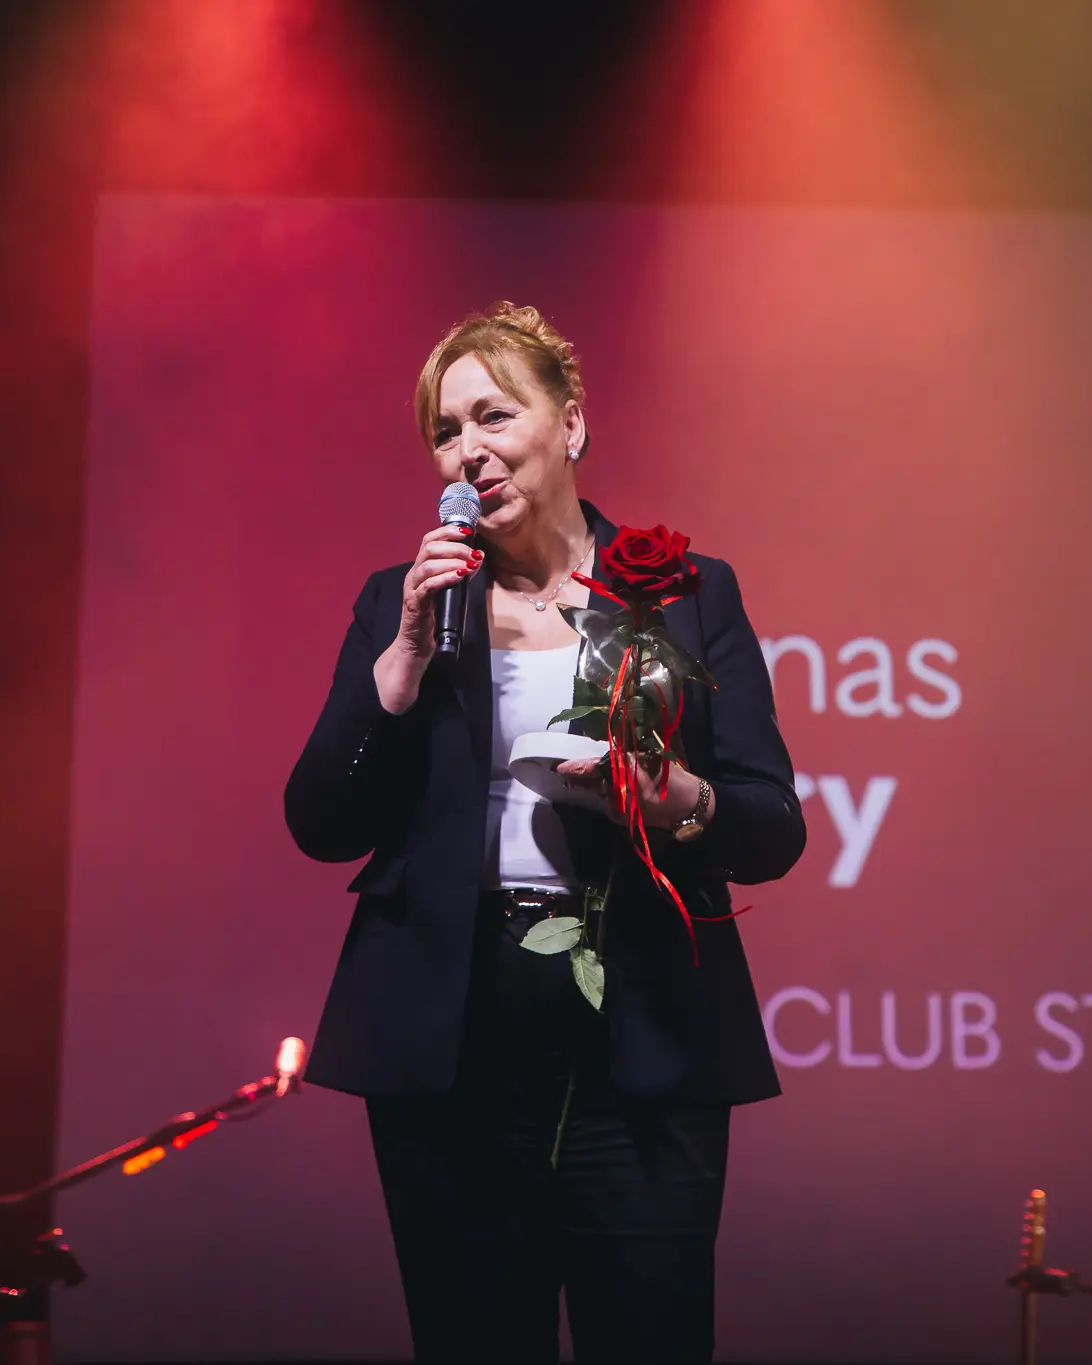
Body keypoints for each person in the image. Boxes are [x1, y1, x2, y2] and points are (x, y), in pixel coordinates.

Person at [285, 302, 806, 1363]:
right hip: (454, 1034)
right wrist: (399, 664)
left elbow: (770, 825)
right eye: (444, 431)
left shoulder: (686, 596)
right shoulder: (401, 604)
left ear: (568, 423)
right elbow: (320, 822)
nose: (467, 450)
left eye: (493, 415)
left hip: (640, 1022)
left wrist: (676, 798)